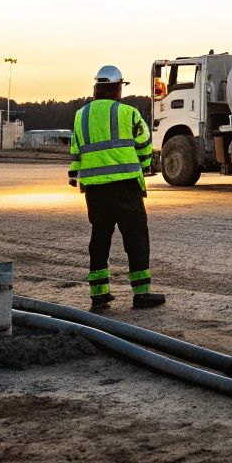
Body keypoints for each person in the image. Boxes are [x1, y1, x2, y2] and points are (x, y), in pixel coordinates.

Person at [69, 65, 163, 310]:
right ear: (118, 87)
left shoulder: (81, 115)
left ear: (97, 88)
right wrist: (142, 167)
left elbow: (76, 150)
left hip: (95, 191)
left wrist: (74, 174)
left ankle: (99, 295)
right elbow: (144, 146)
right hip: (126, 188)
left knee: (100, 239)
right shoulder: (128, 113)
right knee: (136, 239)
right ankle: (142, 294)